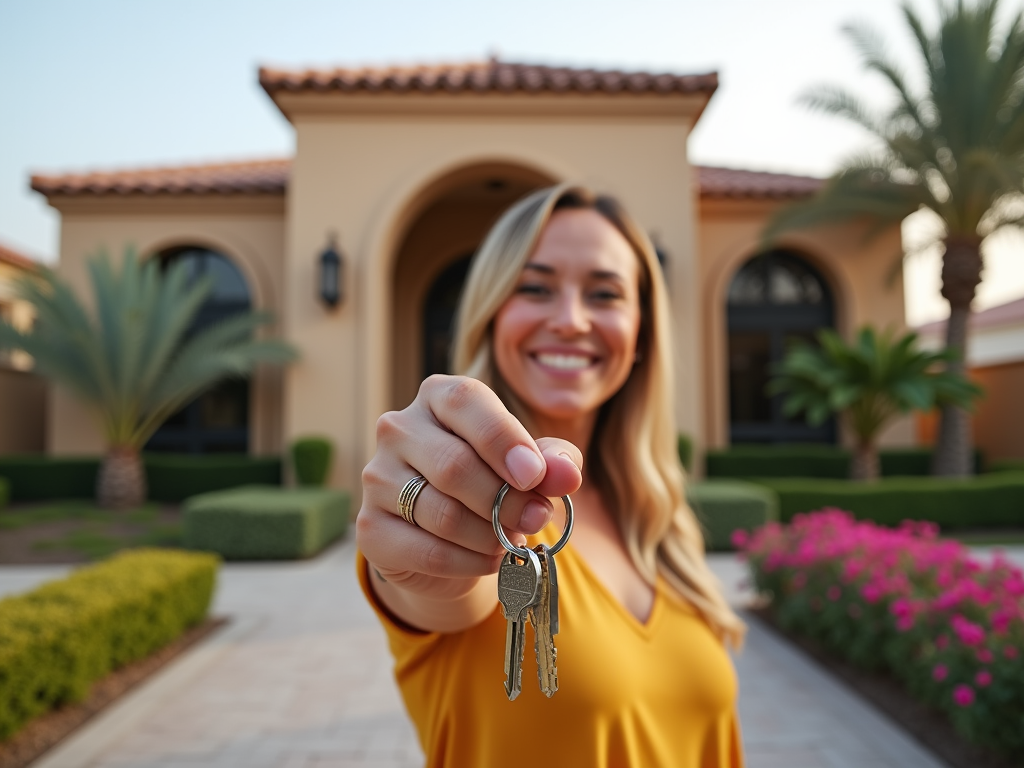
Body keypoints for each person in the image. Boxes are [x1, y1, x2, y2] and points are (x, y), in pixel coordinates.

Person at [356, 184, 746, 768]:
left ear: (642, 334)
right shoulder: (475, 509)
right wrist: (415, 538)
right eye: (535, 288)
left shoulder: (657, 516)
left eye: (605, 293)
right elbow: (431, 587)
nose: (570, 320)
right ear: (491, 316)